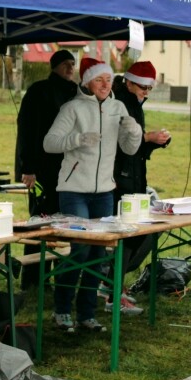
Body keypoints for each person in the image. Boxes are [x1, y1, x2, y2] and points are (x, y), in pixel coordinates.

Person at [43, 57, 142, 333]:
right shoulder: (72, 108)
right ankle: (62, 310)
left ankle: (87, 314)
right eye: (99, 79)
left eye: (108, 79)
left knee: (98, 253)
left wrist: (134, 132)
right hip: (73, 190)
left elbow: (130, 149)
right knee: (81, 249)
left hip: (104, 192)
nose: (104, 84)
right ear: (87, 81)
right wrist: (77, 139)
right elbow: (49, 143)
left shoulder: (117, 107)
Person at [110, 61, 171, 314]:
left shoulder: (134, 102)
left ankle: (115, 285)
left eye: (149, 88)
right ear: (129, 81)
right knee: (127, 234)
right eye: (143, 87)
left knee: (140, 232)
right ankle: (112, 289)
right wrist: (148, 138)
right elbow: (119, 142)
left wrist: (157, 142)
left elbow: (135, 147)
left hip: (134, 175)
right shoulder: (119, 102)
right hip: (119, 177)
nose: (146, 92)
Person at [14, 49, 78, 286]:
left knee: (65, 223)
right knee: (39, 223)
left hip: (69, 171)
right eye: (65, 64)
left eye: (72, 64)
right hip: (41, 169)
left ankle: (61, 276)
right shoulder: (38, 91)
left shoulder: (75, 92)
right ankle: (32, 279)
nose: (70, 68)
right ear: (54, 66)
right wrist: (27, 167)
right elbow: (27, 130)